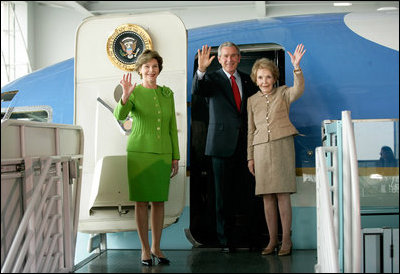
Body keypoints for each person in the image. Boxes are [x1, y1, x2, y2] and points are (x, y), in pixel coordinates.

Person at [114, 49, 180, 266]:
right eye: (146, 67)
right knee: (141, 203)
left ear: (159, 69)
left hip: (163, 153)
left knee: (159, 202)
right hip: (139, 153)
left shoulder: (167, 94)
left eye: (154, 66)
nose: (151, 70)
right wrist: (124, 96)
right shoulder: (133, 92)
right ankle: (144, 249)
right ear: (140, 70)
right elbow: (120, 116)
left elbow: (172, 127)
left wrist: (175, 157)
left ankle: (156, 247)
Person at [192, 42, 258, 252]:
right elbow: (198, 89)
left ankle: (248, 237)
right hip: (220, 145)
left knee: (246, 193)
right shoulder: (210, 79)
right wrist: (201, 70)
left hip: (246, 145)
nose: (229, 60)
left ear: (238, 58)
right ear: (219, 59)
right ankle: (225, 240)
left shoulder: (248, 79)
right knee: (222, 196)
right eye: (225, 57)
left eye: (233, 56)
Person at [247, 44, 306, 256]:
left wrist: (296, 68)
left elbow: (298, 88)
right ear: (256, 79)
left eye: (268, 77)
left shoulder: (284, 93)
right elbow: (250, 131)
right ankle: (272, 241)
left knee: (283, 195)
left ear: (274, 78)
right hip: (260, 150)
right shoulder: (252, 101)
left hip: (282, 146)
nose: (265, 81)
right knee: (266, 197)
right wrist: (250, 158)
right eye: (261, 77)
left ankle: (286, 241)